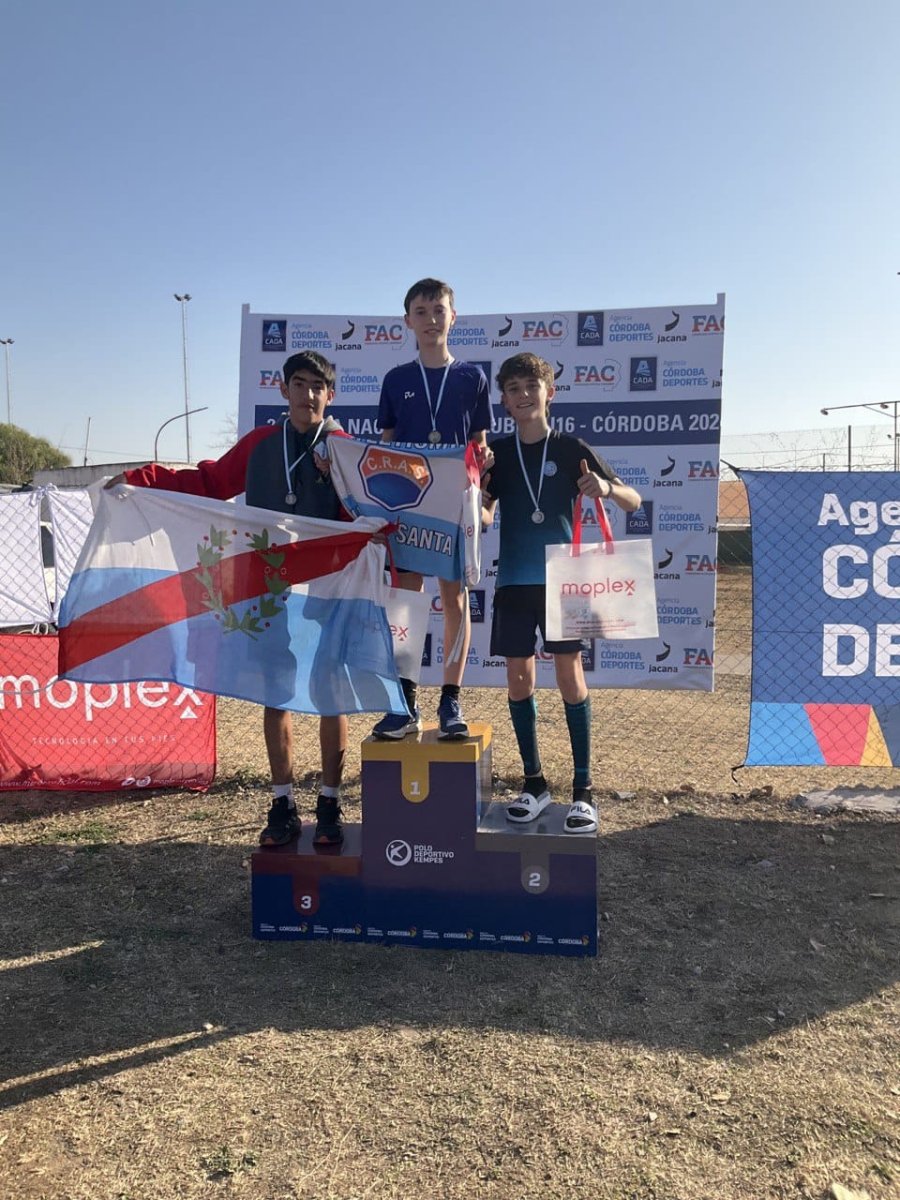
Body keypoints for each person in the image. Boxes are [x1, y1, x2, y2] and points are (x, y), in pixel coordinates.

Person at [107, 351, 348, 848]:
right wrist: (141, 479)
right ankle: (282, 802)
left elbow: (373, 510)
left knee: (330, 696)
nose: (308, 395)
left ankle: (330, 802)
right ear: (283, 391)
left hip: (328, 590)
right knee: (276, 695)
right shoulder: (261, 444)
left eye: (317, 386)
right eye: (298, 384)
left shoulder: (346, 449)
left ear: (331, 394)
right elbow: (208, 483)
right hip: (269, 593)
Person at [481, 353, 642, 834]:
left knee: (570, 676)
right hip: (513, 579)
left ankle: (583, 790)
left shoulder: (572, 447)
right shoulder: (498, 453)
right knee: (517, 680)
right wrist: (474, 496)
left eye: (532, 385)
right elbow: (486, 516)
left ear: (549, 392)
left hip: (563, 580)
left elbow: (633, 500)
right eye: (513, 388)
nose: (523, 395)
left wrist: (607, 488)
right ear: (505, 401)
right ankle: (535, 784)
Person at [372, 277, 492, 741]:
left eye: (438, 310)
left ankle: (451, 699)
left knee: (456, 599)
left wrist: (483, 472)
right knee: (405, 600)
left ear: (453, 317)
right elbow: (383, 448)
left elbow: (479, 443)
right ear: (407, 321)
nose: (430, 319)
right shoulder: (396, 379)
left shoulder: (472, 378)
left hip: (454, 503)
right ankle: (404, 703)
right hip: (406, 503)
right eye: (420, 312)